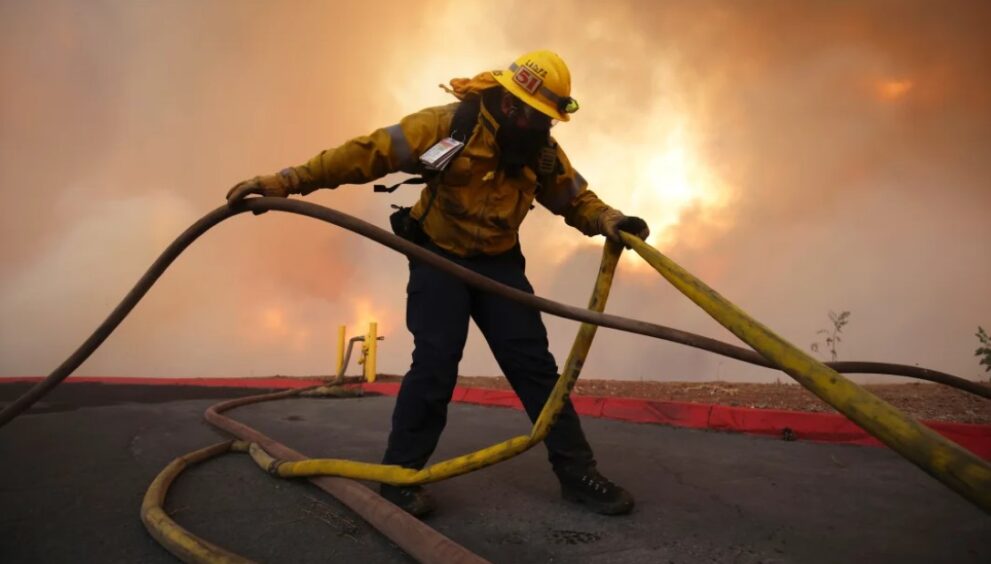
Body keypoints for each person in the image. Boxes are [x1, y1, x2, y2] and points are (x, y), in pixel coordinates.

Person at [227, 50, 650, 517]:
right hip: (437, 256)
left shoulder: (540, 150)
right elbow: (366, 154)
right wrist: (287, 181)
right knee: (435, 363)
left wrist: (609, 219)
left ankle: (578, 474)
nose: (542, 128)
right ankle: (401, 476)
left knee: (535, 369)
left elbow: (576, 199)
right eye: (536, 117)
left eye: (548, 121)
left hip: (498, 265)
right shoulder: (447, 127)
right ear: (510, 105)